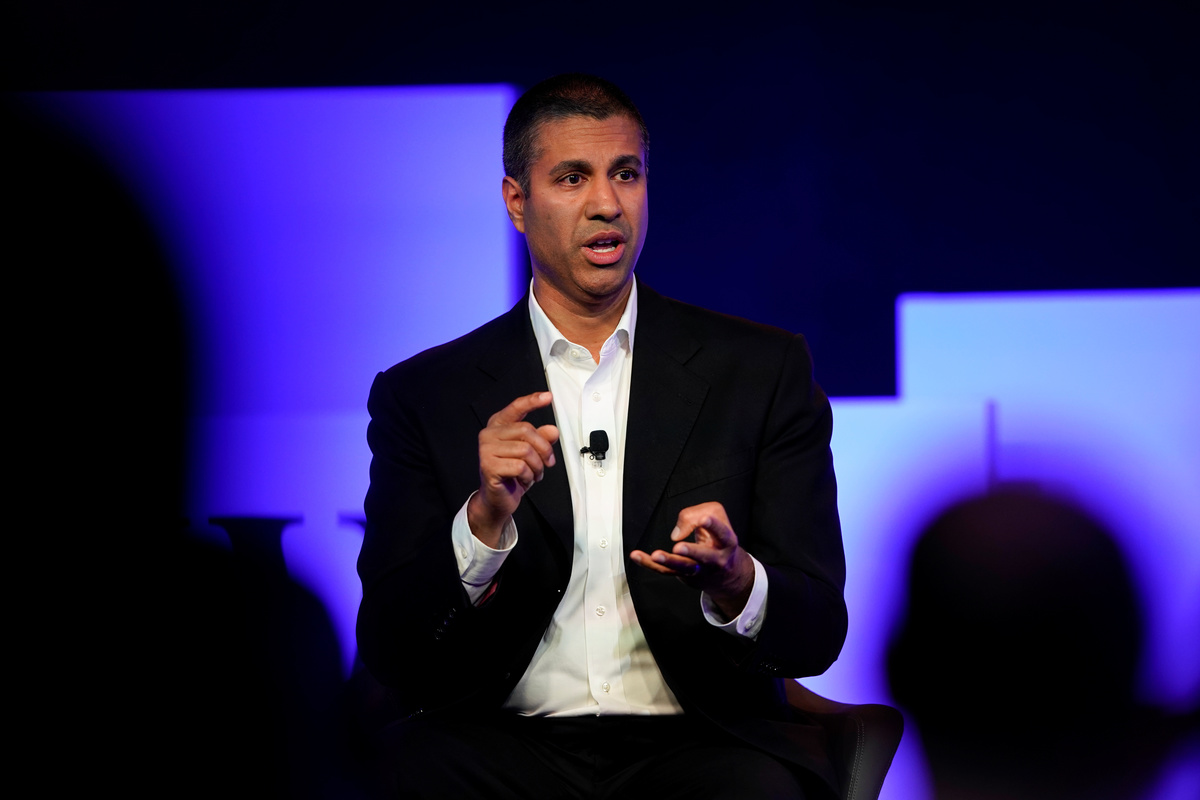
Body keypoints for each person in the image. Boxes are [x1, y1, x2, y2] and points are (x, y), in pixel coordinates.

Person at [356, 73, 847, 799]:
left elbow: (818, 629)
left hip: (701, 746)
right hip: (495, 744)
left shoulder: (761, 371)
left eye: (626, 174)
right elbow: (390, 646)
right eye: (572, 178)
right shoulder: (424, 395)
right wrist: (482, 523)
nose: (607, 203)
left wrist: (737, 582)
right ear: (516, 202)